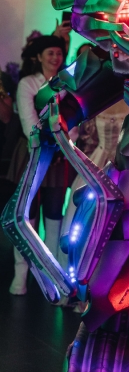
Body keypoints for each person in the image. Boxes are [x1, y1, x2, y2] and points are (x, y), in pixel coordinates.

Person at [8, 35, 67, 295]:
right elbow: (29, 123)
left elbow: (74, 119)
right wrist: (50, 143)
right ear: (39, 56)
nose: (55, 57)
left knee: (54, 216)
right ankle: (21, 275)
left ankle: (50, 276)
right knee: (26, 216)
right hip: (32, 153)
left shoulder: (66, 84)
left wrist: (63, 144)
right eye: (50, 53)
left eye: (59, 53)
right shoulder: (28, 83)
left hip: (58, 154)